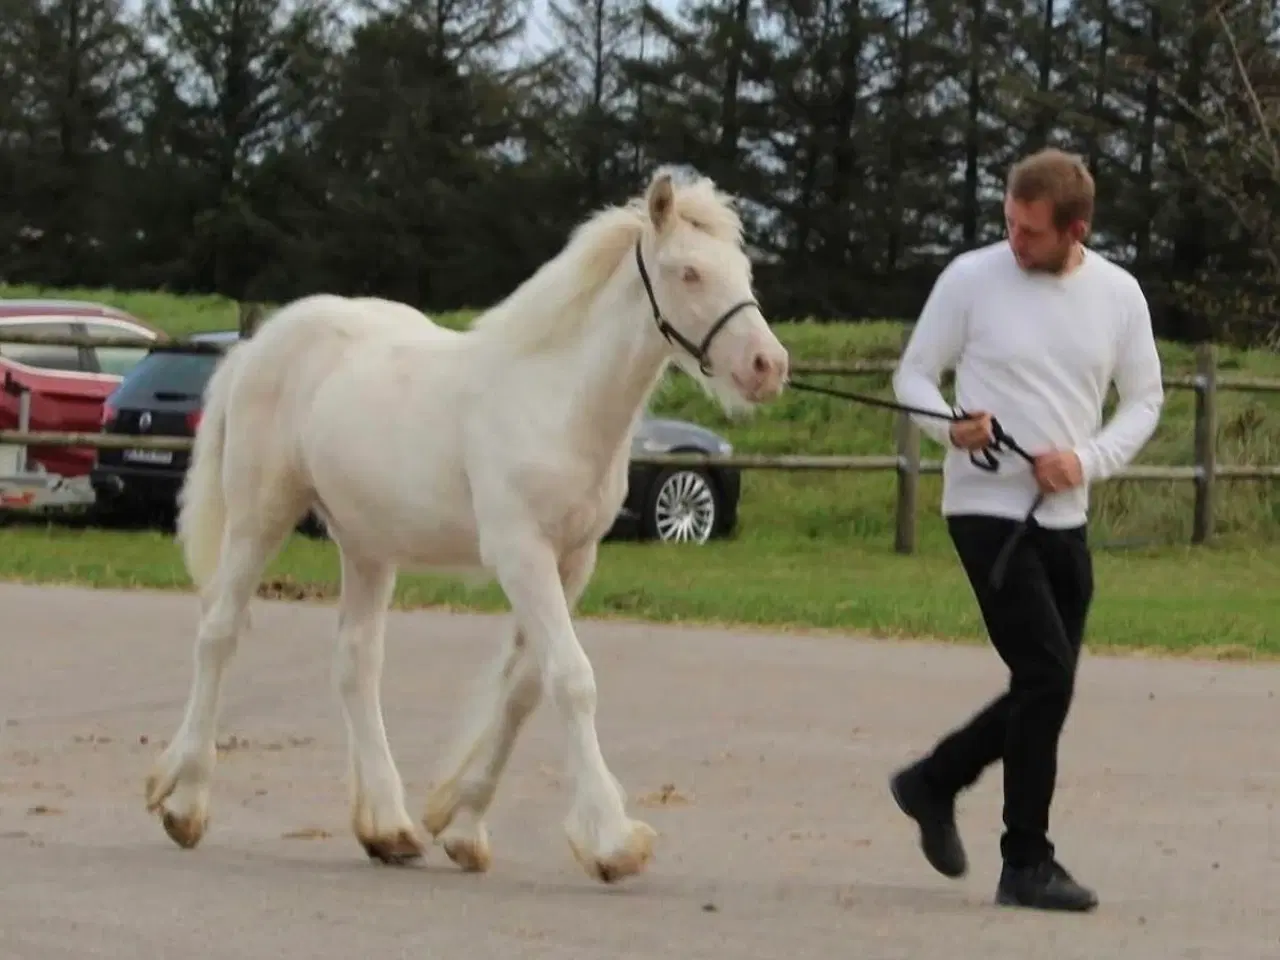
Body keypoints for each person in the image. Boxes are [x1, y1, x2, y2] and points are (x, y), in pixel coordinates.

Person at [888, 147, 1165, 912]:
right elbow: (913, 374)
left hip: (1065, 518)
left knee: (1047, 686)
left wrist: (1087, 459)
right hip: (985, 514)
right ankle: (1026, 861)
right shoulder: (970, 279)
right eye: (1009, 222)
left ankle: (932, 782)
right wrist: (952, 428)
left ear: (1075, 230)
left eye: (1032, 232)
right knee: (1046, 676)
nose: (1014, 240)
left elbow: (1145, 399)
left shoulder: (1118, 294)